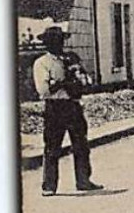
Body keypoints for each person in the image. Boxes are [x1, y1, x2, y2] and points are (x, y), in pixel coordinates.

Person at [32, 26, 102, 196]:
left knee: (81, 145)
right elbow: (44, 90)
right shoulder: (42, 63)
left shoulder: (72, 59)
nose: (58, 44)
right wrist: (64, 83)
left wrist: (78, 80)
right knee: (52, 146)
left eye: (60, 40)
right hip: (55, 108)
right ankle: (49, 185)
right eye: (54, 41)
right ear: (47, 44)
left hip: (73, 105)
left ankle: (83, 180)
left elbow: (86, 80)